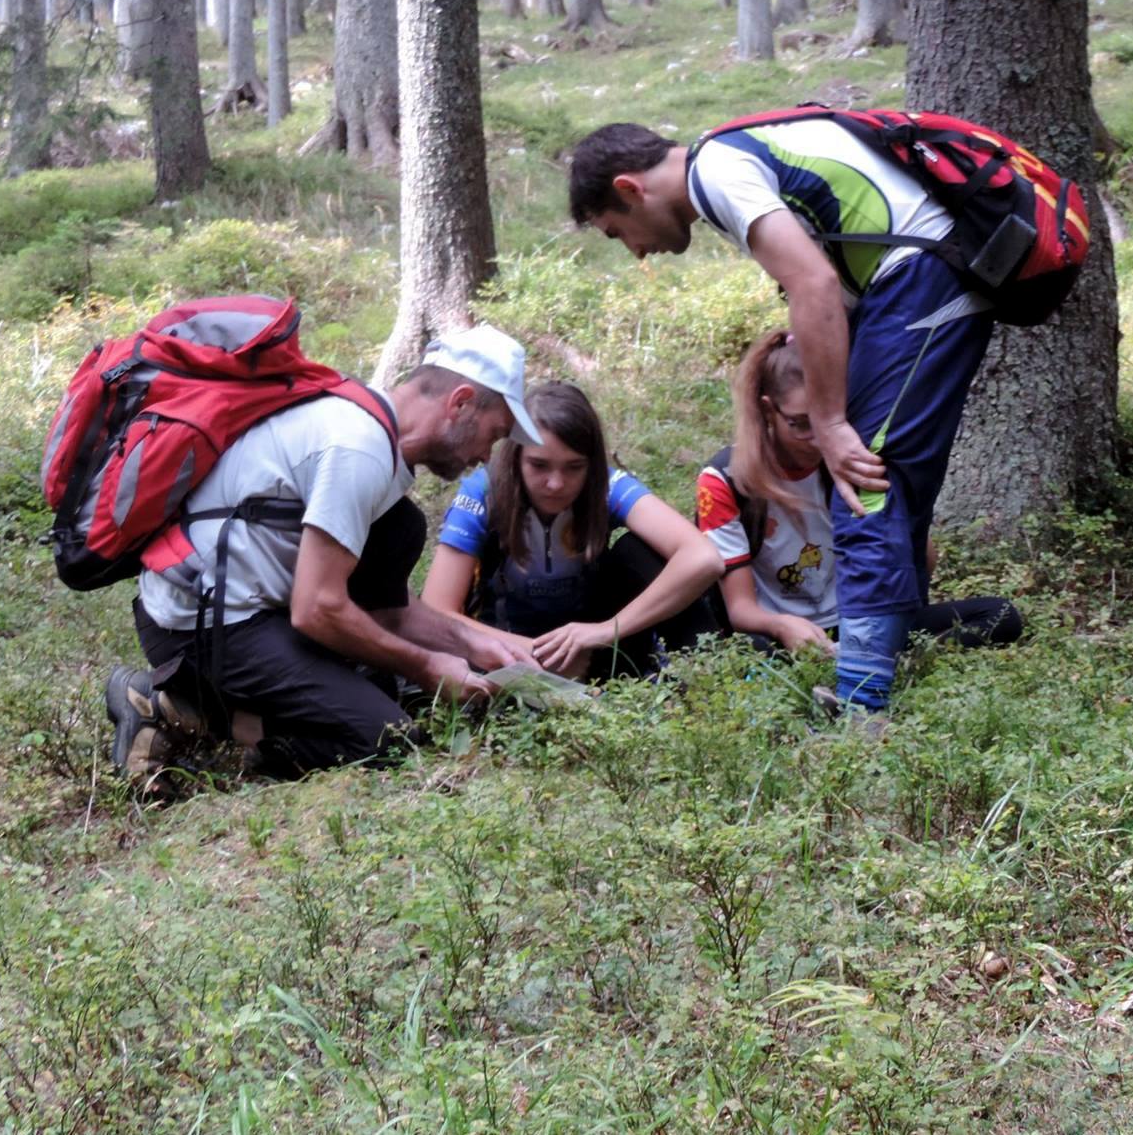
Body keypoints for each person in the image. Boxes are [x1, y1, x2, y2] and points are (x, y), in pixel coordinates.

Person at [569, 117, 997, 716]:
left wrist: (827, 423)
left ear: (630, 188)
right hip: (912, 278)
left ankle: (861, 704)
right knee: (889, 488)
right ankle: (886, 663)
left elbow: (814, 284)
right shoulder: (727, 162)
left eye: (619, 234)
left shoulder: (716, 171)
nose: (638, 251)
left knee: (861, 490)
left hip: (921, 276)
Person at [103, 326, 543, 788]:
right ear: (460, 402)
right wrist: (427, 665)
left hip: (250, 611)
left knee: (402, 529)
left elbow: (390, 611)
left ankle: (240, 709)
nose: (484, 456)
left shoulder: (363, 419)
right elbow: (317, 609)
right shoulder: (358, 449)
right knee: (386, 739)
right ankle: (173, 708)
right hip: (203, 627)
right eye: (493, 435)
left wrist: (473, 644)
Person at [698, 328, 1022, 658]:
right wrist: (783, 626)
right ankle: (876, 663)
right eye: (801, 423)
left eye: (828, 418)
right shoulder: (724, 479)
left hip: (859, 617)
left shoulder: (855, 455)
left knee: (999, 615)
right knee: (747, 652)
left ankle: (892, 661)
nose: (818, 437)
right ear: (768, 410)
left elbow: (923, 557)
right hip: (779, 632)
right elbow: (740, 610)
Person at [422, 380, 723, 679]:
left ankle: (706, 681)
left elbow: (703, 558)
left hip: (593, 648)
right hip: (501, 652)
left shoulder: (606, 485)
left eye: (574, 467)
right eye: (539, 465)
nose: (556, 483)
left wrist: (607, 630)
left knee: (639, 551)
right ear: (515, 458)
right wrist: (535, 654)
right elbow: (435, 609)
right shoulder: (482, 493)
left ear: (591, 466)